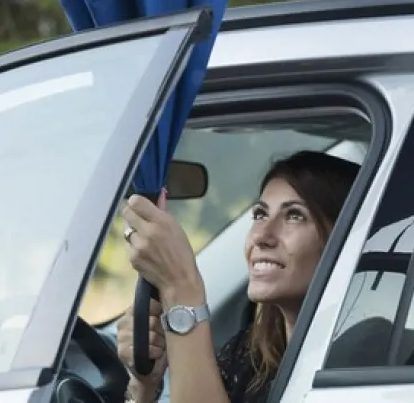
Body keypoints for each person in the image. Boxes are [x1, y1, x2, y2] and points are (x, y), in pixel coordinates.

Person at [118, 150, 359, 403]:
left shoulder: (364, 350)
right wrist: (144, 385)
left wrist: (181, 290)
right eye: (260, 215)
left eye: (295, 216)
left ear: (343, 237)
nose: (261, 236)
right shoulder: (250, 357)